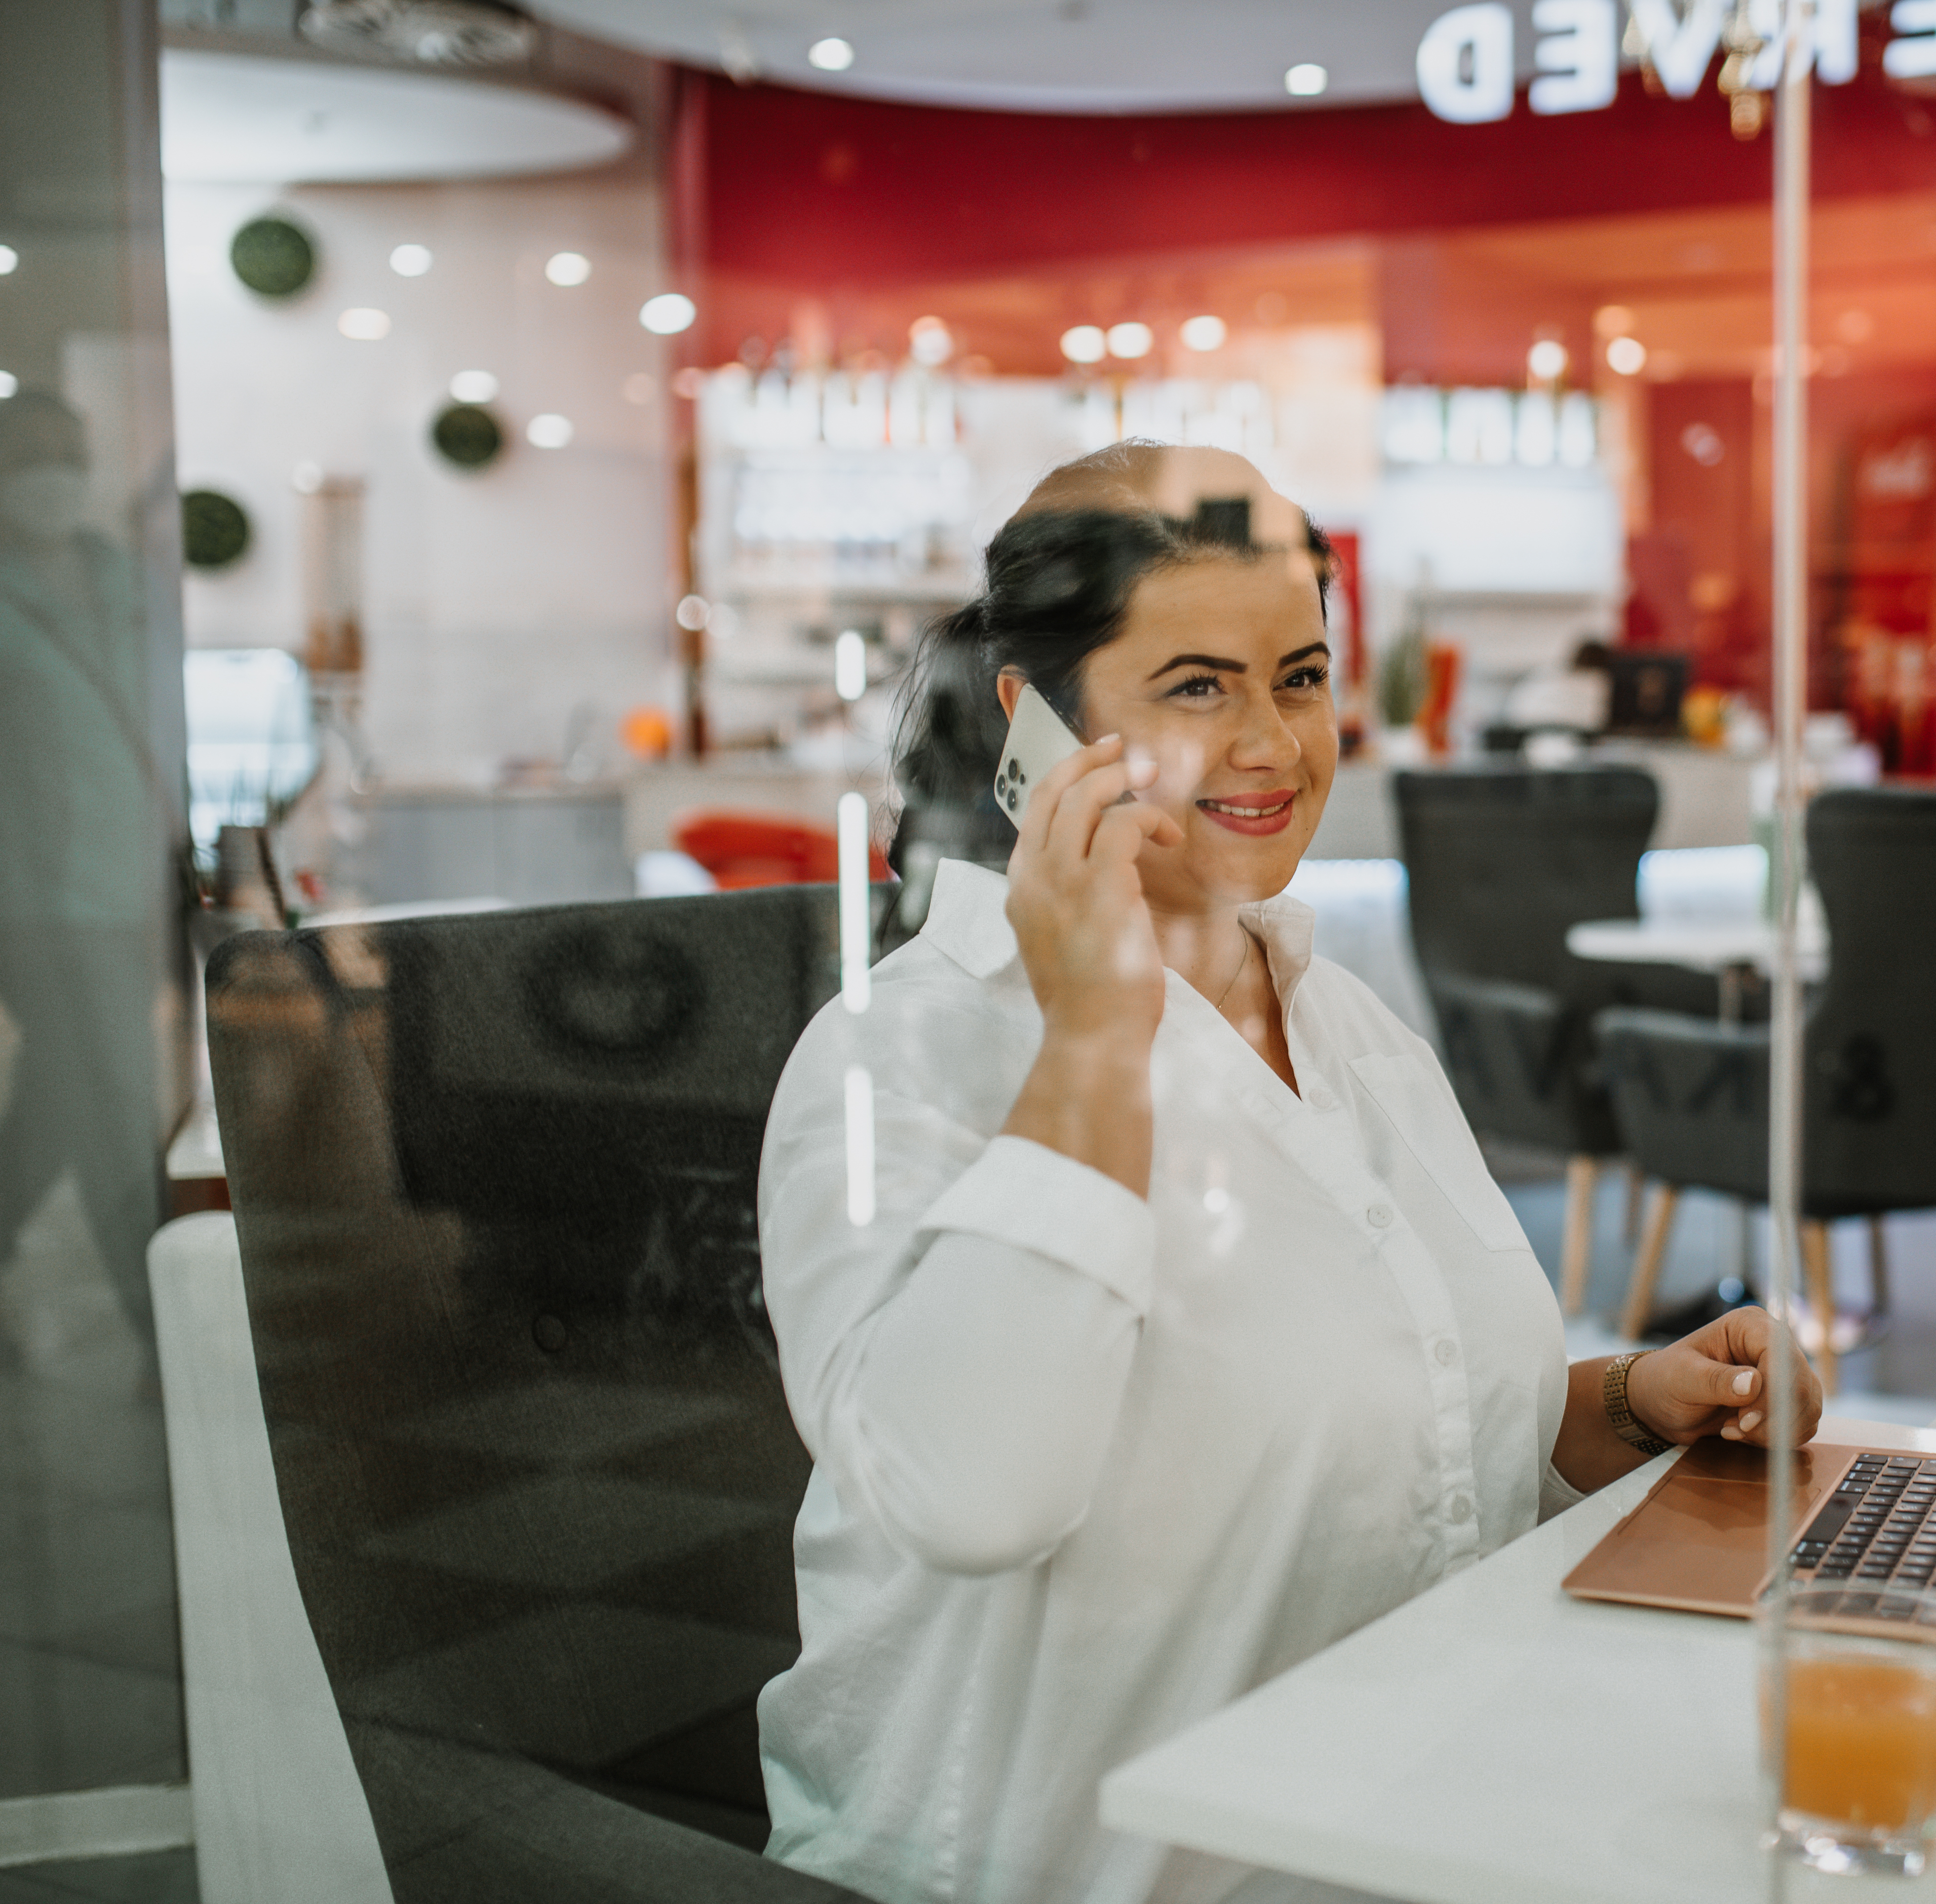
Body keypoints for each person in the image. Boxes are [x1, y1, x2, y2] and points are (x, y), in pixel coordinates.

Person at [756, 442, 1821, 1904]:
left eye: (1300, 677)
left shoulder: (1342, 1018)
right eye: (1197, 685)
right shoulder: (900, 1058)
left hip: (1376, 1835)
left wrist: (1630, 1400)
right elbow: (972, 1495)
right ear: (1035, 726)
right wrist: (1091, 1038)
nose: (1271, 741)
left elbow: (1406, 1438)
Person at [0, 389, 168, 1356]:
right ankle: (163, 1329)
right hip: (33, 907)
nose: (53, 474)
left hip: (131, 893)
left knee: (64, 1095)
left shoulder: (121, 579)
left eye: (68, 453)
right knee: (115, 1108)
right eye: (28, 455)